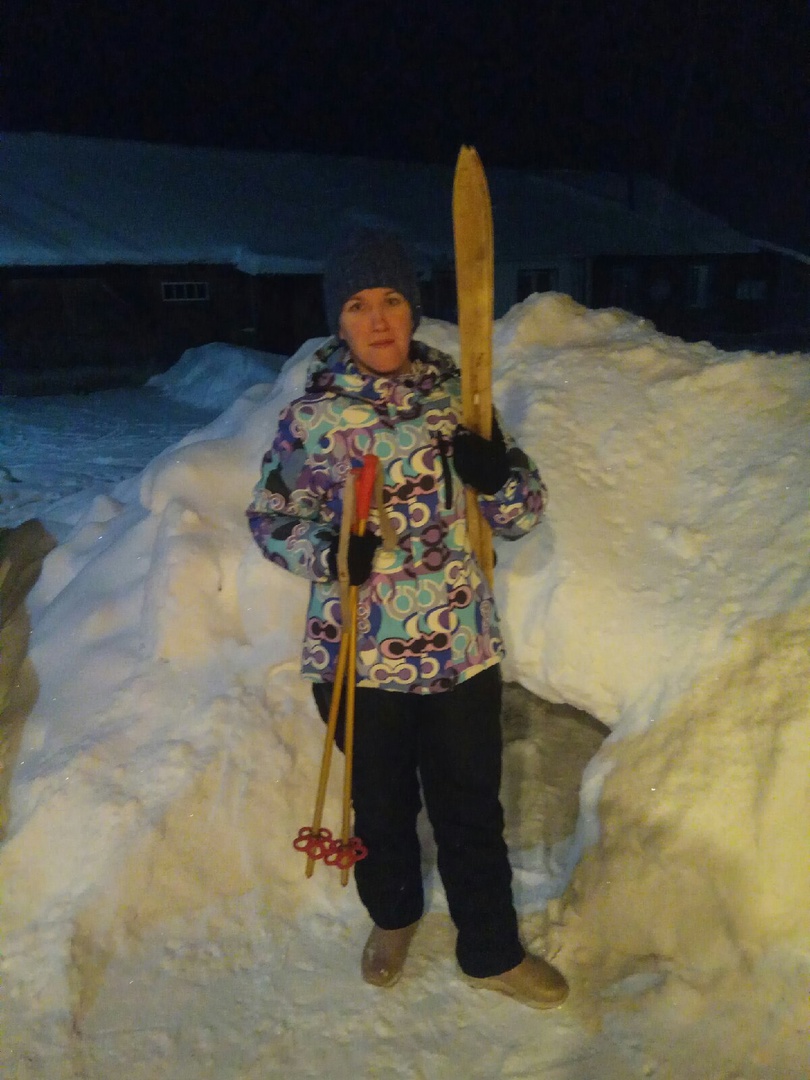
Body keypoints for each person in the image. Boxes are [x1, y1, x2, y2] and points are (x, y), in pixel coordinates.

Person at [246, 228, 568, 1010]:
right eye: (358, 305)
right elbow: (270, 519)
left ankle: (490, 949)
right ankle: (392, 916)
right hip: (358, 656)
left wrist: (498, 475)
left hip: (459, 648)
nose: (378, 319)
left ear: (413, 308)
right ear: (339, 320)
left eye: (391, 299)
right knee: (382, 805)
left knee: (470, 808)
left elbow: (521, 514)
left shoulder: (463, 401)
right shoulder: (314, 419)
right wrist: (332, 553)